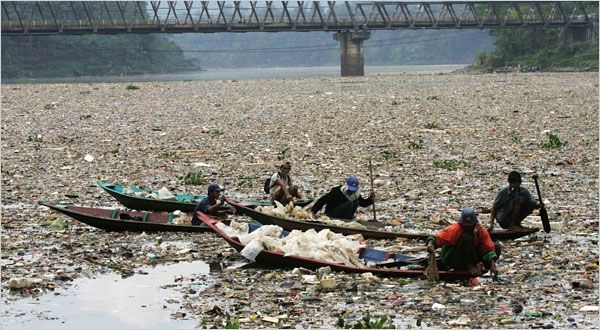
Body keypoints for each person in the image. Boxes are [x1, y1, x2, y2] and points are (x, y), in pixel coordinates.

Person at [426, 207, 499, 278]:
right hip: (454, 259)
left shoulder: (479, 230)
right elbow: (436, 238)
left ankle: (479, 266)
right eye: (465, 226)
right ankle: (471, 266)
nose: (468, 228)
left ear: (474, 224)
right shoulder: (455, 229)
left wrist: (492, 265)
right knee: (466, 238)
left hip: (471, 256)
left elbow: (488, 248)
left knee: (496, 248)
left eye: (470, 226)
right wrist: (430, 244)